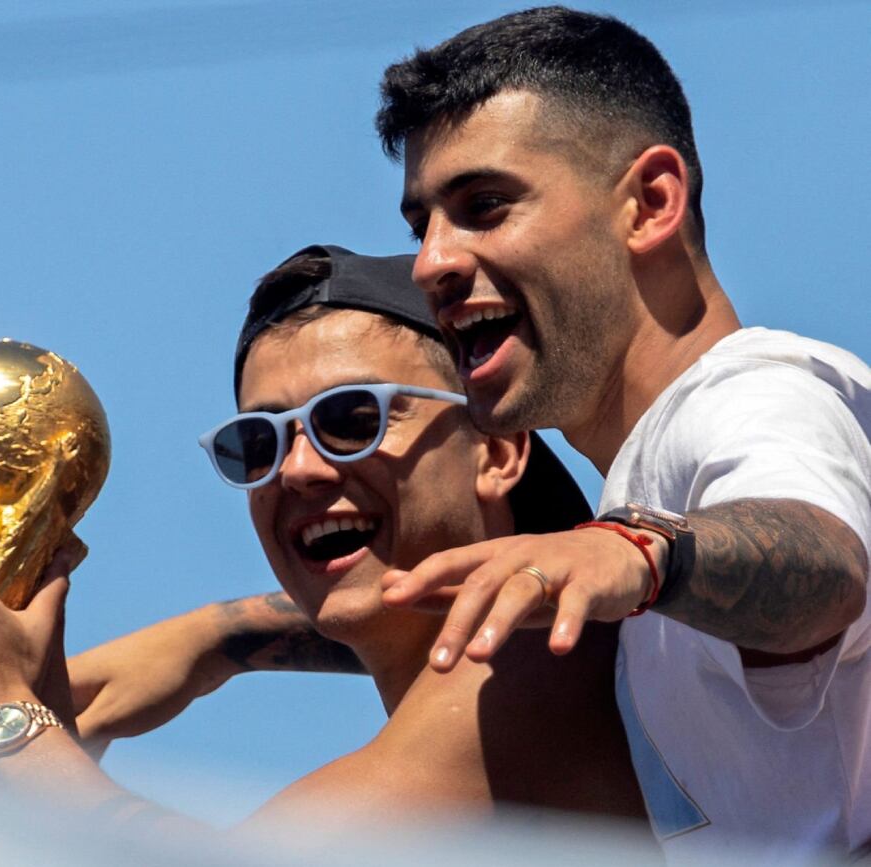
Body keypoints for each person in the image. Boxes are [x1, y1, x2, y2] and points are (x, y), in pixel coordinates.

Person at [0, 245, 646, 843]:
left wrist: (3, 721)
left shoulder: (528, 670)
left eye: (354, 418)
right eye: (259, 443)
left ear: (499, 450)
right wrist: (217, 636)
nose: (302, 468)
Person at [361, 5, 871, 858]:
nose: (429, 264)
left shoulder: (753, 391)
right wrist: (225, 638)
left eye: (483, 205)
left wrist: (635, 550)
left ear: (650, 202)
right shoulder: (657, 480)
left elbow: (823, 562)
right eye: (422, 225)